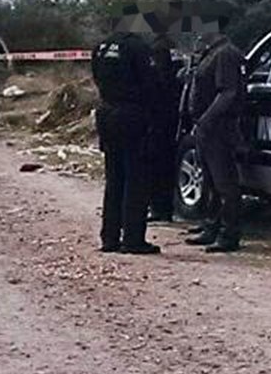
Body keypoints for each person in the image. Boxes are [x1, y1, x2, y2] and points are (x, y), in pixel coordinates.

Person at [90, 18, 159, 254]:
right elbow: (151, 85)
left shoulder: (101, 47)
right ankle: (132, 239)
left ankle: (109, 237)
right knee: (135, 179)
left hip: (107, 114)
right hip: (131, 116)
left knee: (114, 179)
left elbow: (97, 79)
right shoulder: (137, 47)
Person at [187, 28, 245, 253]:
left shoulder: (225, 54)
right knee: (210, 181)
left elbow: (228, 93)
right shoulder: (211, 53)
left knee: (225, 182)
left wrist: (207, 118)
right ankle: (211, 226)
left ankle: (229, 234)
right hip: (207, 128)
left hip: (219, 127)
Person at [145, 34, 182, 222]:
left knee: (156, 166)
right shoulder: (173, 50)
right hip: (172, 116)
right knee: (167, 166)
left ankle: (159, 208)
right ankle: (165, 208)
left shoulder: (158, 49)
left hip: (158, 117)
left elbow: (156, 84)